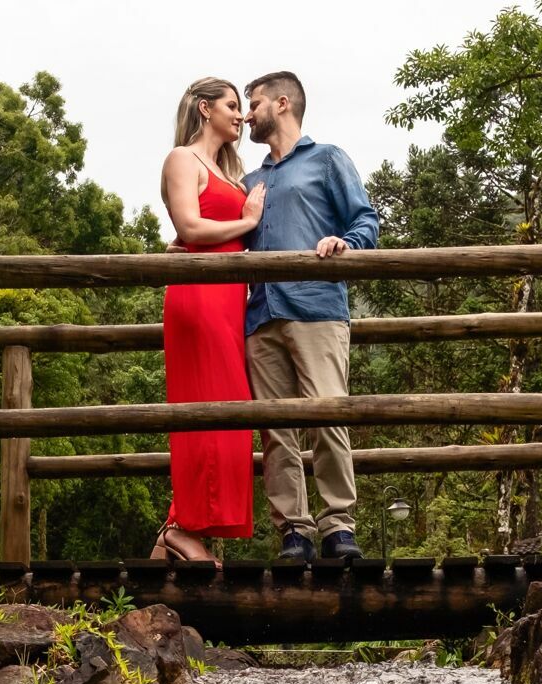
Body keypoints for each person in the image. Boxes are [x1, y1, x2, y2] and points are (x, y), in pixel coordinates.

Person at [240, 71, 380, 562]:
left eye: (253, 103)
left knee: (327, 415)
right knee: (276, 429)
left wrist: (348, 242)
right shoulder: (250, 180)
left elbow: (366, 219)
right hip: (260, 316)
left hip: (317, 306)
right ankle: (293, 530)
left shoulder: (327, 158)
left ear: (282, 104)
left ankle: (339, 524)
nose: (245, 113)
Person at [153, 77, 264, 561]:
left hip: (228, 304)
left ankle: (181, 534)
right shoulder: (183, 159)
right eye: (232, 105)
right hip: (198, 301)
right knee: (204, 412)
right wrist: (248, 221)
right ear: (205, 109)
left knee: (231, 417)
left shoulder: (228, 172)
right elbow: (189, 227)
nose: (240, 115)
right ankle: (181, 527)